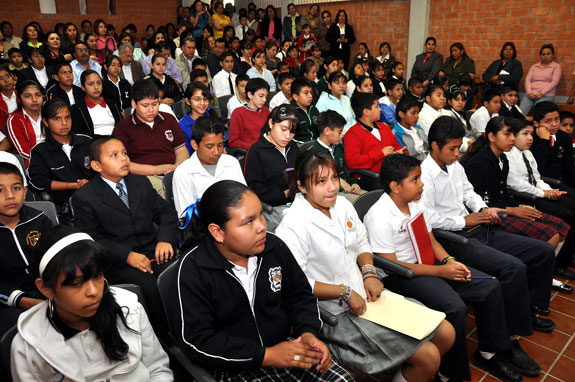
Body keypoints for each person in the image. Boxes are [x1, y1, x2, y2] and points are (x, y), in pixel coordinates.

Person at [276, 150, 454, 380]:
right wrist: (344, 292)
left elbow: (361, 241)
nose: (331, 187)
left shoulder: (342, 205)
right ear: (301, 186)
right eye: (321, 182)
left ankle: (405, 374)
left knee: (446, 333)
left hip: (367, 296)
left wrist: (369, 273)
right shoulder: (292, 226)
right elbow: (297, 284)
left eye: (333, 178)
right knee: (428, 356)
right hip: (336, 313)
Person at [364, 154, 541, 382]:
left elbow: (431, 240)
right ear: (395, 186)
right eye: (415, 180)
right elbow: (393, 264)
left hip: (429, 263)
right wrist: (440, 271)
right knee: (455, 307)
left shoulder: (415, 204)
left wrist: (448, 261)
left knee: (489, 285)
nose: (422, 184)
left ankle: (489, 351)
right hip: (401, 275)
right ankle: (448, 372)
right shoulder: (379, 215)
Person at [169, 180, 354, 382]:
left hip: (284, 348)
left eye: (260, 215)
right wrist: (266, 356)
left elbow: (300, 296)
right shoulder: (193, 270)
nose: (261, 227)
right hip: (231, 365)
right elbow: (198, 341)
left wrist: (308, 333)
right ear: (218, 232)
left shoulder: (274, 248)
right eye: (248, 222)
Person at [420, 116, 557, 332]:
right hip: (453, 238)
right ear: (435, 146)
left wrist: (482, 210)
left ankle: (532, 308)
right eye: (452, 148)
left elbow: (469, 192)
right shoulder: (424, 175)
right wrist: (464, 220)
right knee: (513, 267)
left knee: (544, 251)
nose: (457, 154)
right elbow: (428, 219)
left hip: (476, 228)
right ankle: (514, 330)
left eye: (459, 147)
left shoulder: (454, 166)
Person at [11, 224, 173, 381]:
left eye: (97, 276)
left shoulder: (129, 308)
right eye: (76, 283)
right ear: (46, 288)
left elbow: (158, 369)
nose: (94, 291)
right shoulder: (28, 345)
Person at [72, 137, 177, 339]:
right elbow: (92, 239)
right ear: (96, 165)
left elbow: (166, 213)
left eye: (125, 153)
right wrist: (127, 255)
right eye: (114, 155)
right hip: (119, 261)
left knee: (178, 275)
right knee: (150, 288)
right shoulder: (85, 197)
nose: (124, 159)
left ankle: (187, 329)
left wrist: (165, 239)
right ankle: (163, 340)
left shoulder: (139, 182)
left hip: (154, 250)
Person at [464, 116, 573, 280]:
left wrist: (521, 206)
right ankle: (534, 277)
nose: (512, 139)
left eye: (513, 134)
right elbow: (480, 204)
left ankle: (542, 272)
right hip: (491, 217)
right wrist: (514, 211)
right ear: (492, 137)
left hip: (507, 207)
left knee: (562, 227)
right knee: (552, 235)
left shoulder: (502, 158)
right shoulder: (480, 163)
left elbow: (504, 193)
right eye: (507, 134)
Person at [506, 118, 575, 287]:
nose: (530, 138)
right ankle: (556, 265)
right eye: (525, 134)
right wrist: (544, 193)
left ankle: (563, 258)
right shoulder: (508, 156)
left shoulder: (527, 153)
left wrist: (550, 191)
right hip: (524, 198)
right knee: (568, 216)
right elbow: (517, 184)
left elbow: (536, 179)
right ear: (513, 136)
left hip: (537, 194)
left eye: (531, 133)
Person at [0, 162, 52, 336]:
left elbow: (58, 258)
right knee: (23, 331)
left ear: (25, 191)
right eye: (0, 190)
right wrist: (23, 300)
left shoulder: (39, 220)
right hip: (8, 300)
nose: (9, 196)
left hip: (46, 289)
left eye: (15, 188)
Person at [112, 79, 189, 196]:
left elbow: (181, 149)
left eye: (155, 104)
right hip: (144, 177)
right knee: (167, 192)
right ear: (133, 104)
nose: (151, 110)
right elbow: (122, 163)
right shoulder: (123, 128)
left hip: (174, 171)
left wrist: (177, 168)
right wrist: (158, 169)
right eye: (145, 105)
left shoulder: (168, 119)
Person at [173, 116, 245, 216]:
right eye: (209, 147)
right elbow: (186, 216)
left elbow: (244, 198)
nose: (216, 152)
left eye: (220, 145)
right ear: (194, 145)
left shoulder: (231, 163)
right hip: (203, 228)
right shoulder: (183, 173)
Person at [243, 105, 300, 230]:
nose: (288, 136)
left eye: (292, 132)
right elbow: (254, 190)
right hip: (272, 208)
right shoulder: (256, 151)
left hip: (298, 200)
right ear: (271, 123)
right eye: (283, 129)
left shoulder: (292, 147)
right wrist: (285, 194)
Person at [28, 99, 92, 206]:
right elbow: (39, 182)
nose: (64, 123)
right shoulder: (39, 151)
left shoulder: (86, 141)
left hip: (95, 196)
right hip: (65, 205)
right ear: (45, 122)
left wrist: (90, 184)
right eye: (57, 119)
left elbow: (102, 169)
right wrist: (72, 185)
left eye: (67, 117)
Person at [345, 92, 404, 191]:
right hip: (372, 177)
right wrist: (381, 153)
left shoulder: (384, 128)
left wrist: (400, 153)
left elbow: (397, 147)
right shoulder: (352, 134)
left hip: (392, 172)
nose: (380, 109)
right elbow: (353, 162)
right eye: (377, 107)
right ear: (366, 111)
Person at [310, 110, 363, 197]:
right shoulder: (313, 153)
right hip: (331, 194)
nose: (342, 135)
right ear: (327, 131)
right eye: (339, 132)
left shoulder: (339, 148)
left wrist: (354, 183)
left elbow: (346, 172)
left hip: (348, 190)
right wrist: (338, 181)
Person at [531, 101, 575, 189]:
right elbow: (536, 168)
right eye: (548, 121)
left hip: (562, 181)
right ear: (536, 124)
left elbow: (569, 166)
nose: (554, 124)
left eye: (557, 119)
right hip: (540, 184)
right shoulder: (530, 139)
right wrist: (544, 140)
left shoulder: (564, 137)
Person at [70, 70, 122, 138]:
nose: (96, 87)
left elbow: (121, 127)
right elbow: (79, 134)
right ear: (83, 87)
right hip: (92, 145)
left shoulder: (113, 104)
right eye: (91, 84)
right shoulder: (77, 109)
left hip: (116, 142)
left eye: (99, 83)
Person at [6, 80, 44, 167]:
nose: (34, 100)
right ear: (19, 100)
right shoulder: (14, 120)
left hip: (56, 156)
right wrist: (47, 158)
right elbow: (23, 151)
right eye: (28, 96)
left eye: (38, 95)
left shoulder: (49, 114)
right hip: (31, 162)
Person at [228, 78, 270, 151]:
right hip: (250, 152)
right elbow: (233, 142)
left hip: (267, 150)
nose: (264, 100)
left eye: (266, 97)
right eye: (261, 96)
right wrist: (255, 147)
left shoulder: (266, 111)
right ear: (250, 94)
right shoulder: (238, 113)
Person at [520, 44, 561, 116]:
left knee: (539, 115)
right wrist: (529, 93)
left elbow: (555, 82)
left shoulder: (556, 66)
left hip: (546, 94)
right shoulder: (534, 66)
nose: (545, 56)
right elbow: (527, 80)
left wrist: (541, 93)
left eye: (548, 54)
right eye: (543, 54)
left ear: (553, 55)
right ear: (540, 55)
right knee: (520, 113)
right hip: (531, 94)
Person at [179, 81, 212, 155]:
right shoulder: (182, 127)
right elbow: (186, 155)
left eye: (205, 99)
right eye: (197, 99)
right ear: (188, 101)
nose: (202, 103)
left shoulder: (210, 118)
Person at [392, 96, 427, 160]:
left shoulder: (418, 128)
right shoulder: (395, 134)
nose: (417, 116)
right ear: (401, 114)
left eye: (417, 113)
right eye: (413, 113)